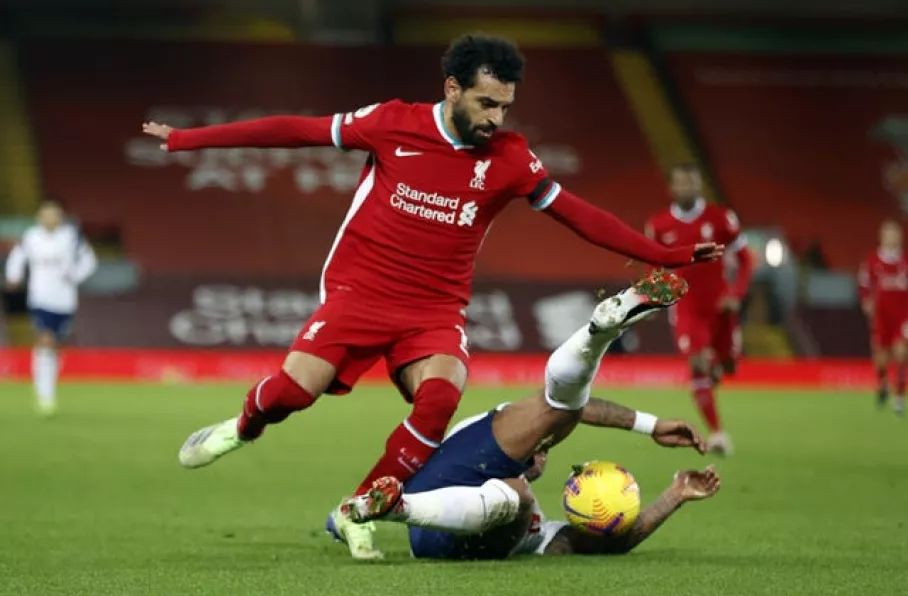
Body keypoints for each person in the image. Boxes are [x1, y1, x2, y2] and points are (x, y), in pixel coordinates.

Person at [147, 34, 722, 559]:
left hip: (434, 311)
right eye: (486, 104)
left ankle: (357, 510)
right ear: (452, 89)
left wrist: (665, 255)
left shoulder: (511, 158)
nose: (496, 119)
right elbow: (296, 130)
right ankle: (242, 427)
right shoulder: (392, 123)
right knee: (294, 393)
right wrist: (186, 140)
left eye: (505, 107)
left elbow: (579, 216)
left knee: (442, 397)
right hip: (360, 291)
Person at [339, 271, 719, 559]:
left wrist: (676, 494)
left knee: (528, 471)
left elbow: (613, 545)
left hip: (432, 533)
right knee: (554, 415)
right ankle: (597, 333)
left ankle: (393, 507)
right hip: (445, 481)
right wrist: (650, 425)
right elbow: (575, 408)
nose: (547, 455)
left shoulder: (540, 532)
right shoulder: (513, 459)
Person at [644, 164, 751, 456]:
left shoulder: (721, 219)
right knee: (697, 363)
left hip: (721, 307)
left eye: (691, 182)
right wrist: (654, 296)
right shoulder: (659, 225)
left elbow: (745, 259)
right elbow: (654, 264)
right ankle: (717, 433)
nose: (686, 188)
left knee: (728, 366)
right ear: (672, 188)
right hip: (686, 307)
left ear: (699, 185)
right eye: (680, 183)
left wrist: (736, 294)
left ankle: (717, 366)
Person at [4, 200, 98, 416]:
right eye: (45, 214)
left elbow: (89, 261)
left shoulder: (71, 237)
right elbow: (18, 257)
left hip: (64, 301)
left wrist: (74, 275)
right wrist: (13, 275)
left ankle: (48, 387)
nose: (49, 218)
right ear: (39, 217)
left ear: (60, 216)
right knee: (44, 340)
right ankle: (44, 396)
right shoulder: (31, 237)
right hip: (39, 299)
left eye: (54, 214)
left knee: (55, 347)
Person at [858, 219, 908, 416]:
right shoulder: (872, 261)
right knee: (880, 359)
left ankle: (899, 398)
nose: (892, 238)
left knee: (901, 354)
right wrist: (866, 301)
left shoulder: (905, 262)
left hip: (902, 317)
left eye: (895, 234)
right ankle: (883, 383)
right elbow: (863, 283)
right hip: (881, 317)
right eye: (888, 234)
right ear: (882, 237)